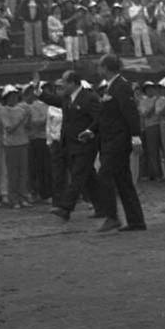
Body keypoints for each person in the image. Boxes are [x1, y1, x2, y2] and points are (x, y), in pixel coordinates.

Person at [37, 69, 101, 222]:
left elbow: (99, 118)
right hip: (70, 145)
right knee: (89, 179)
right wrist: (38, 92)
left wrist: (89, 130)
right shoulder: (68, 98)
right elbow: (54, 100)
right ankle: (102, 206)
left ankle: (66, 207)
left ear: (73, 83)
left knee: (78, 176)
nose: (63, 85)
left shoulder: (89, 97)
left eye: (65, 82)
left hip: (85, 144)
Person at [92, 53, 146, 232]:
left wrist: (135, 136)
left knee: (104, 175)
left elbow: (130, 112)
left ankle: (112, 216)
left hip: (118, 140)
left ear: (106, 68)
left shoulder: (121, 86)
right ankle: (136, 220)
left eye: (100, 66)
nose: (99, 70)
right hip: (112, 139)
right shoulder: (112, 86)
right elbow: (106, 115)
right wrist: (91, 130)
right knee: (123, 180)